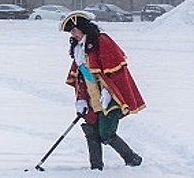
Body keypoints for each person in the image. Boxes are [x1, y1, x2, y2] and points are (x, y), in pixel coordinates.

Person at [61, 11, 145, 171]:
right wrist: (82, 99)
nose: (72, 35)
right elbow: (85, 76)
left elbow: (115, 72)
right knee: (91, 130)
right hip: (94, 99)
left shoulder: (101, 41)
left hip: (111, 97)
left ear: (83, 28)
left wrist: (108, 92)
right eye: (70, 32)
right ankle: (96, 167)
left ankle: (133, 159)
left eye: (74, 30)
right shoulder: (80, 49)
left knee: (106, 133)